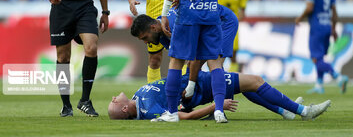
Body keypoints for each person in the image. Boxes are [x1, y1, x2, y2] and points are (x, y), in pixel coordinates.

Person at [130, 6, 307, 120]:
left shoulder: (177, 25)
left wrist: (191, 83)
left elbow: (196, 56)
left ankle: (219, 110)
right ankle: (284, 110)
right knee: (234, 82)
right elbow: (182, 59)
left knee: (219, 71)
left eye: (145, 38)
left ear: (153, 27)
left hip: (223, 24)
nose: (146, 42)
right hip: (208, 28)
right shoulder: (162, 37)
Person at [107, 70, 331, 121]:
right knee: (255, 81)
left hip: (195, 81)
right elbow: (181, 117)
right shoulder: (148, 110)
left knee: (245, 87)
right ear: (125, 109)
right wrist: (217, 105)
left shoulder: (138, 97)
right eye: (114, 103)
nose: (113, 98)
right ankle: (303, 112)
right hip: (203, 86)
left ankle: (286, 110)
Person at [295, 0, 348, 94]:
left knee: (315, 58)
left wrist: (299, 18)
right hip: (327, 26)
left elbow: (309, 8)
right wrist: (334, 28)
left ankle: (338, 76)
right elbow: (334, 10)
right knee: (321, 57)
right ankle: (319, 85)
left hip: (317, 26)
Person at [218, 0, 248, 72]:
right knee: (215, 53)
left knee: (233, 54)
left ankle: (232, 76)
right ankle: (215, 75)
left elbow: (243, 11)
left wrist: (234, 22)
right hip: (216, 25)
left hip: (231, 26)